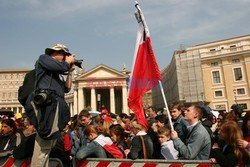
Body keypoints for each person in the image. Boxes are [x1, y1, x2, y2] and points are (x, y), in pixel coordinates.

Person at [25, 43, 75, 167]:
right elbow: (60, 67)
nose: (66, 57)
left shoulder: (55, 74)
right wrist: (67, 64)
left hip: (55, 107)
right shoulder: (44, 58)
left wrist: (69, 71)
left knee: (49, 143)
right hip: (47, 106)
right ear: (56, 53)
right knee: (44, 144)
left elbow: (67, 88)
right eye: (65, 54)